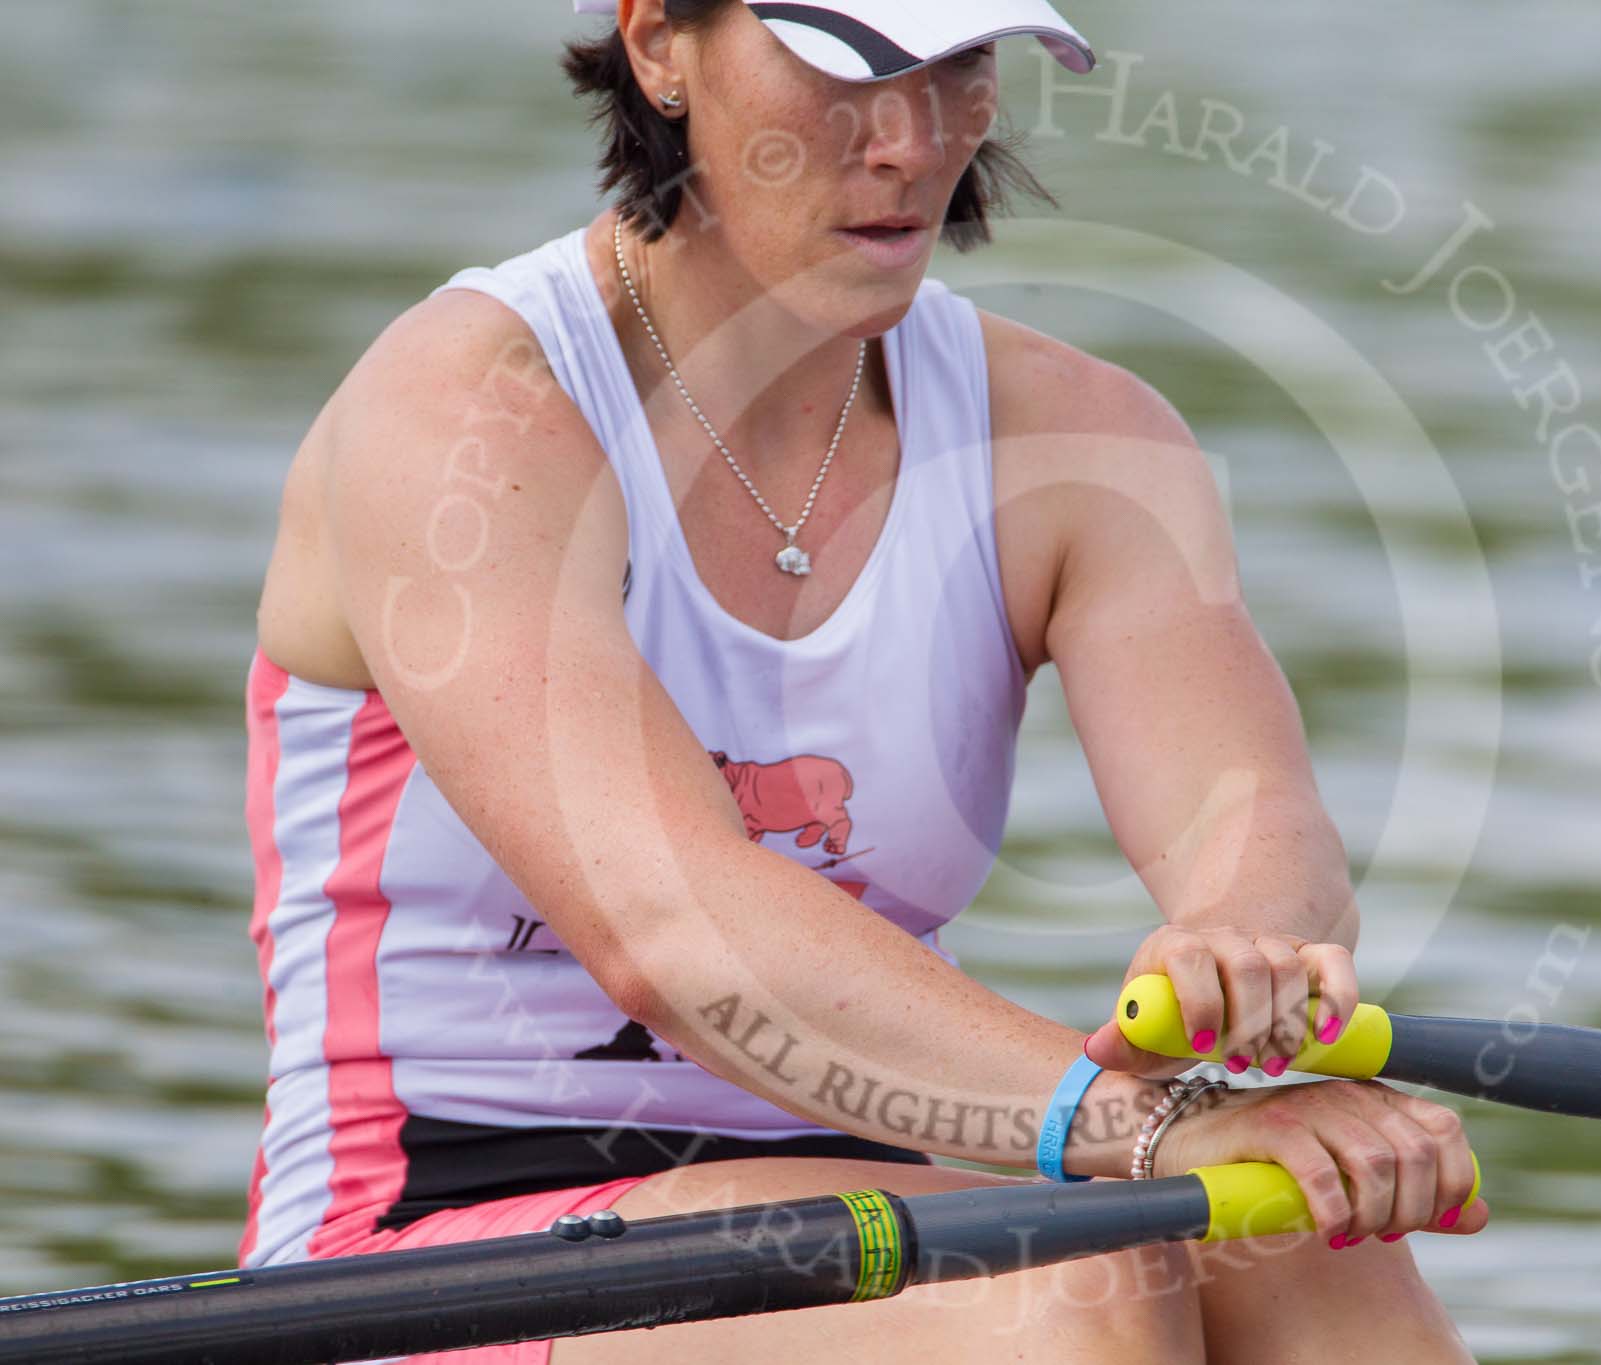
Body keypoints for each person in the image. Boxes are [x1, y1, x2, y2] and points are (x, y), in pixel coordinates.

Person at [240, 0, 1488, 1359]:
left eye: (955, 67)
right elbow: (672, 936)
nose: (908, 139)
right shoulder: (465, 414)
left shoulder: (1080, 436)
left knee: (1301, 1235)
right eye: (849, 68)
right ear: (660, 45)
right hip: (437, 1235)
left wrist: (1245, 957)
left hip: (874, 1186)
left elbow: (1262, 839)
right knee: (1083, 1285)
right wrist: (1137, 1117)